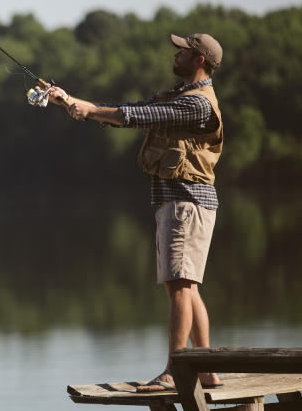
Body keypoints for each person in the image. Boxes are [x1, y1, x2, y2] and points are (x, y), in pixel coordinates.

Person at [45, 33, 225, 392]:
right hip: (180, 203)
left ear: (199, 60)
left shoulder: (197, 104)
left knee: (179, 288)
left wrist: (92, 109)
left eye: (184, 51)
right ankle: (206, 370)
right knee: (187, 287)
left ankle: (175, 372)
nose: (177, 54)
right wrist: (75, 103)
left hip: (186, 203)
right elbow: (138, 110)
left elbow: (142, 115)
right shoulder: (182, 96)